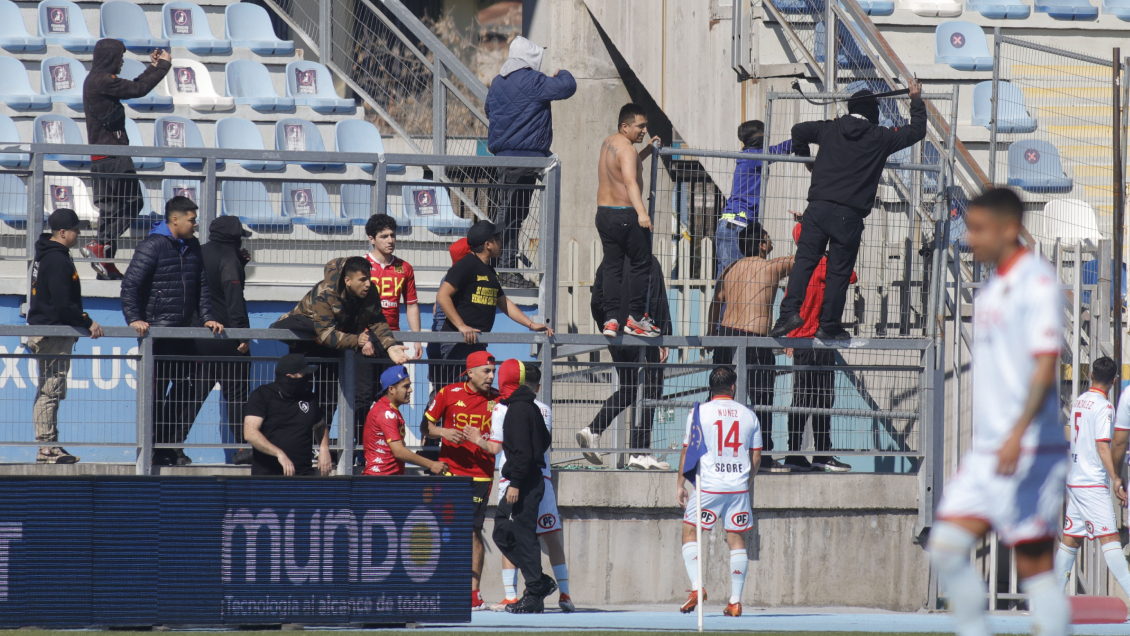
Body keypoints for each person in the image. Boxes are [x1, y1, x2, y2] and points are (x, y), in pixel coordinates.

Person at [927, 188, 1069, 636]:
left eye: (978, 229)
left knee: (1034, 567)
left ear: (1008, 229)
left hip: (1028, 450)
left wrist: (1017, 433)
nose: (969, 238)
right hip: (988, 453)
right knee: (945, 547)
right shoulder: (991, 288)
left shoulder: (1037, 283)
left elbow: (1045, 365)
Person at [768, 81, 926, 340]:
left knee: (804, 263)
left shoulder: (831, 128)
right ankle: (828, 325)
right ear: (873, 113)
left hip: (818, 209)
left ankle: (788, 314)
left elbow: (798, 130)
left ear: (851, 109)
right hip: (849, 216)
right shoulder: (882, 136)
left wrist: (807, 160)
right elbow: (917, 130)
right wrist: (916, 100)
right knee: (838, 273)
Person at [272, 256, 409, 460]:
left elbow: (377, 320)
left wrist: (390, 346)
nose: (368, 284)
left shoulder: (369, 291)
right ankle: (296, 447)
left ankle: (320, 448)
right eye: (362, 279)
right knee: (300, 395)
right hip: (306, 340)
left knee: (328, 398)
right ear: (348, 280)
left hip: (333, 344)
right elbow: (326, 334)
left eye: (369, 278)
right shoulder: (326, 293)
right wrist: (357, 340)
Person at [120, 196, 223, 466]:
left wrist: (207, 318)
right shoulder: (152, 245)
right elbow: (130, 284)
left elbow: (202, 286)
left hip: (185, 333)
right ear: (175, 219)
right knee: (154, 395)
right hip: (158, 335)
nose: (195, 225)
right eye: (192, 220)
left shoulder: (193, 246)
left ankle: (171, 445)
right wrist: (134, 318)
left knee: (185, 390)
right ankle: (152, 449)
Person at [465, 360, 574, 613]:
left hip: (517, 479)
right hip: (542, 477)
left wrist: (477, 439)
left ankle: (515, 593)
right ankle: (563, 591)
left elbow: (498, 448)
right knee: (548, 536)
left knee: (512, 533)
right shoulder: (541, 408)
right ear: (537, 386)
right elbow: (543, 442)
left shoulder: (505, 408)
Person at [485, 35, 576, 289]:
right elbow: (567, 87)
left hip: (503, 159)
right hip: (528, 159)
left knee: (506, 213)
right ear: (530, 57)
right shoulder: (534, 80)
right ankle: (506, 269)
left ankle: (500, 267)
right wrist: (561, 73)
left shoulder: (498, 81)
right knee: (515, 214)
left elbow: (489, 109)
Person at [80, 39, 171, 280]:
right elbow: (138, 90)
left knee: (110, 210)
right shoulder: (103, 80)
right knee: (133, 203)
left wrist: (153, 68)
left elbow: (134, 85)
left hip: (102, 157)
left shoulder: (96, 80)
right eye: (120, 57)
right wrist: (163, 66)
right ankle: (99, 245)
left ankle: (105, 262)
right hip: (113, 156)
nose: (121, 62)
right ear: (110, 57)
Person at [675, 366, 762, 618]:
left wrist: (680, 484)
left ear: (710, 388)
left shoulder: (699, 412)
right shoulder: (749, 415)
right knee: (737, 541)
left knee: (690, 531)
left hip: (709, 486)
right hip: (738, 487)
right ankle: (735, 601)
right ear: (733, 387)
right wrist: (746, 481)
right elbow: (756, 457)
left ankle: (697, 587)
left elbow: (687, 450)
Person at [707, 223, 793, 472]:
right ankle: (761, 458)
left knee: (720, 398)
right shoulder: (771, 267)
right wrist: (805, 226)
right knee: (762, 401)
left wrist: (711, 334)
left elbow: (716, 303)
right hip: (754, 340)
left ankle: (716, 453)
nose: (772, 241)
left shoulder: (729, 269)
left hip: (726, 337)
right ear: (762, 245)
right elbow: (802, 259)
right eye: (769, 238)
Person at [576, 254, 672, 470]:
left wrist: (609, 326)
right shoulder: (647, 261)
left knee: (629, 389)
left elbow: (596, 301)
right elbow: (658, 299)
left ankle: (593, 431)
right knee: (650, 389)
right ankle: (639, 452)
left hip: (617, 335)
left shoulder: (609, 262)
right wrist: (664, 335)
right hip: (642, 335)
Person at [422, 351, 500, 610]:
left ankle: (473, 593)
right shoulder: (448, 393)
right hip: (449, 473)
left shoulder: (499, 400)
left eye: (494, 371)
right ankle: (439, 586)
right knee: (440, 529)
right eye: (486, 371)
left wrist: (481, 441)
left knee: (473, 531)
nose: (491, 376)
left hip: (481, 475)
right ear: (470, 372)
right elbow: (425, 427)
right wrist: (443, 432)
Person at [26, 208, 104, 464]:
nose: (78, 233)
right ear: (62, 232)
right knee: (51, 390)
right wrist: (87, 322)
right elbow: (63, 303)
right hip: (53, 332)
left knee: (50, 390)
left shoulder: (49, 254)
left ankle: (50, 445)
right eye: (75, 230)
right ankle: (46, 449)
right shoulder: (57, 259)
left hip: (49, 330)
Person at [436, 220, 553, 387]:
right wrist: (462, 326)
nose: (501, 241)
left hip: (477, 342)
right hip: (459, 342)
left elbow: (504, 302)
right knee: (460, 394)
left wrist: (530, 324)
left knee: (478, 395)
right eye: (497, 238)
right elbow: (442, 296)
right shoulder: (466, 264)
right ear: (488, 244)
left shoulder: (489, 271)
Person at [782, 222, 856, 473]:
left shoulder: (799, 268)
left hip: (801, 341)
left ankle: (794, 453)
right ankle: (822, 454)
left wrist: (791, 336)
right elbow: (851, 276)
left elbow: (789, 303)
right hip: (817, 340)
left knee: (801, 399)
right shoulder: (822, 264)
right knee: (823, 400)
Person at [1054, 357, 1130, 596]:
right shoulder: (1104, 407)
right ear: (1114, 381)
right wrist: (1115, 477)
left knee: (1071, 540)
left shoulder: (1079, 401)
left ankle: (1050, 602)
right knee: (1110, 538)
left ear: (1092, 376)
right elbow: (1102, 445)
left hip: (1075, 480)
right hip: (1091, 483)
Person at [488, 361, 554, 613]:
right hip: (530, 479)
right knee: (504, 531)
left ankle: (535, 591)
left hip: (523, 482)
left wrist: (515, 482)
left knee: (521, 536)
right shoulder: (530, 406)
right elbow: (544, 439)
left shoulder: (517, 409)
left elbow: (522, 451)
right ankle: (539, 581)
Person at [186, 216, 253, 465]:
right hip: (226, 339)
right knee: (237, 396)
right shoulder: (229, 257)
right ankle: (243, 448)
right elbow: (233, 295)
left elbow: (209, 287)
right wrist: (242, 333)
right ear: (233, 238)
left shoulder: (198, 252)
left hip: (198, 338)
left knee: (191, 397)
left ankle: (169, 445)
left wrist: (239, 263)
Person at [596, 103, 663, 338]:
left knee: (612, 266)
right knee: (642, 264)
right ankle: (636, 319)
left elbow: (624, 167)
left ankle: (611, 320)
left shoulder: (609, 143)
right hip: (625, 213)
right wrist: (642, 212)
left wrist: (646, 150)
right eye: (640, 126)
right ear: (625, 127)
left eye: (645, 126)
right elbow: (629, 180)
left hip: (604, 214)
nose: (644, 130)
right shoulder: (627, 149)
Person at [715, 121, 793, 278]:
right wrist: (803, 136)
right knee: (734, 281)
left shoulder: (750, 157)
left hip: (735, 226)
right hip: (736, 226)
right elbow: (779, 150)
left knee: (727, 281)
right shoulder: (752, 157)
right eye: (764, 135)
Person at [243, 353, 332, 476]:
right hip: (268, 475)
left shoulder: (309, 398)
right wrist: (279, 453)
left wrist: (324, 449)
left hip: (303, 474)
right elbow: (250, 433)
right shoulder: (262, 395)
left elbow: (320, 425)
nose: (307, 378)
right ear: (289, 376)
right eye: (303, 374)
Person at [363, 365, 449, 476]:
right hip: (380, 481)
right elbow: (399, 452)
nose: (410, 390)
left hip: (386, 480)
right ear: (391, 389)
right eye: (406, 386)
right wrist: (431, 464)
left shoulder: (389, 409)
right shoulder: (386, 413)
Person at [365, 213, 422, 360]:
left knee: (395, 376)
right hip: (367, 337)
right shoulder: (361, 266)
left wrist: (417, 339)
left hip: (393, 336)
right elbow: (352, 305)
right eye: (384, 236)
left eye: (392, 235)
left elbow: (411, 305)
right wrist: (363, 337)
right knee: (365, 377)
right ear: (372, 239)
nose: (390, 240)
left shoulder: (404, 267)